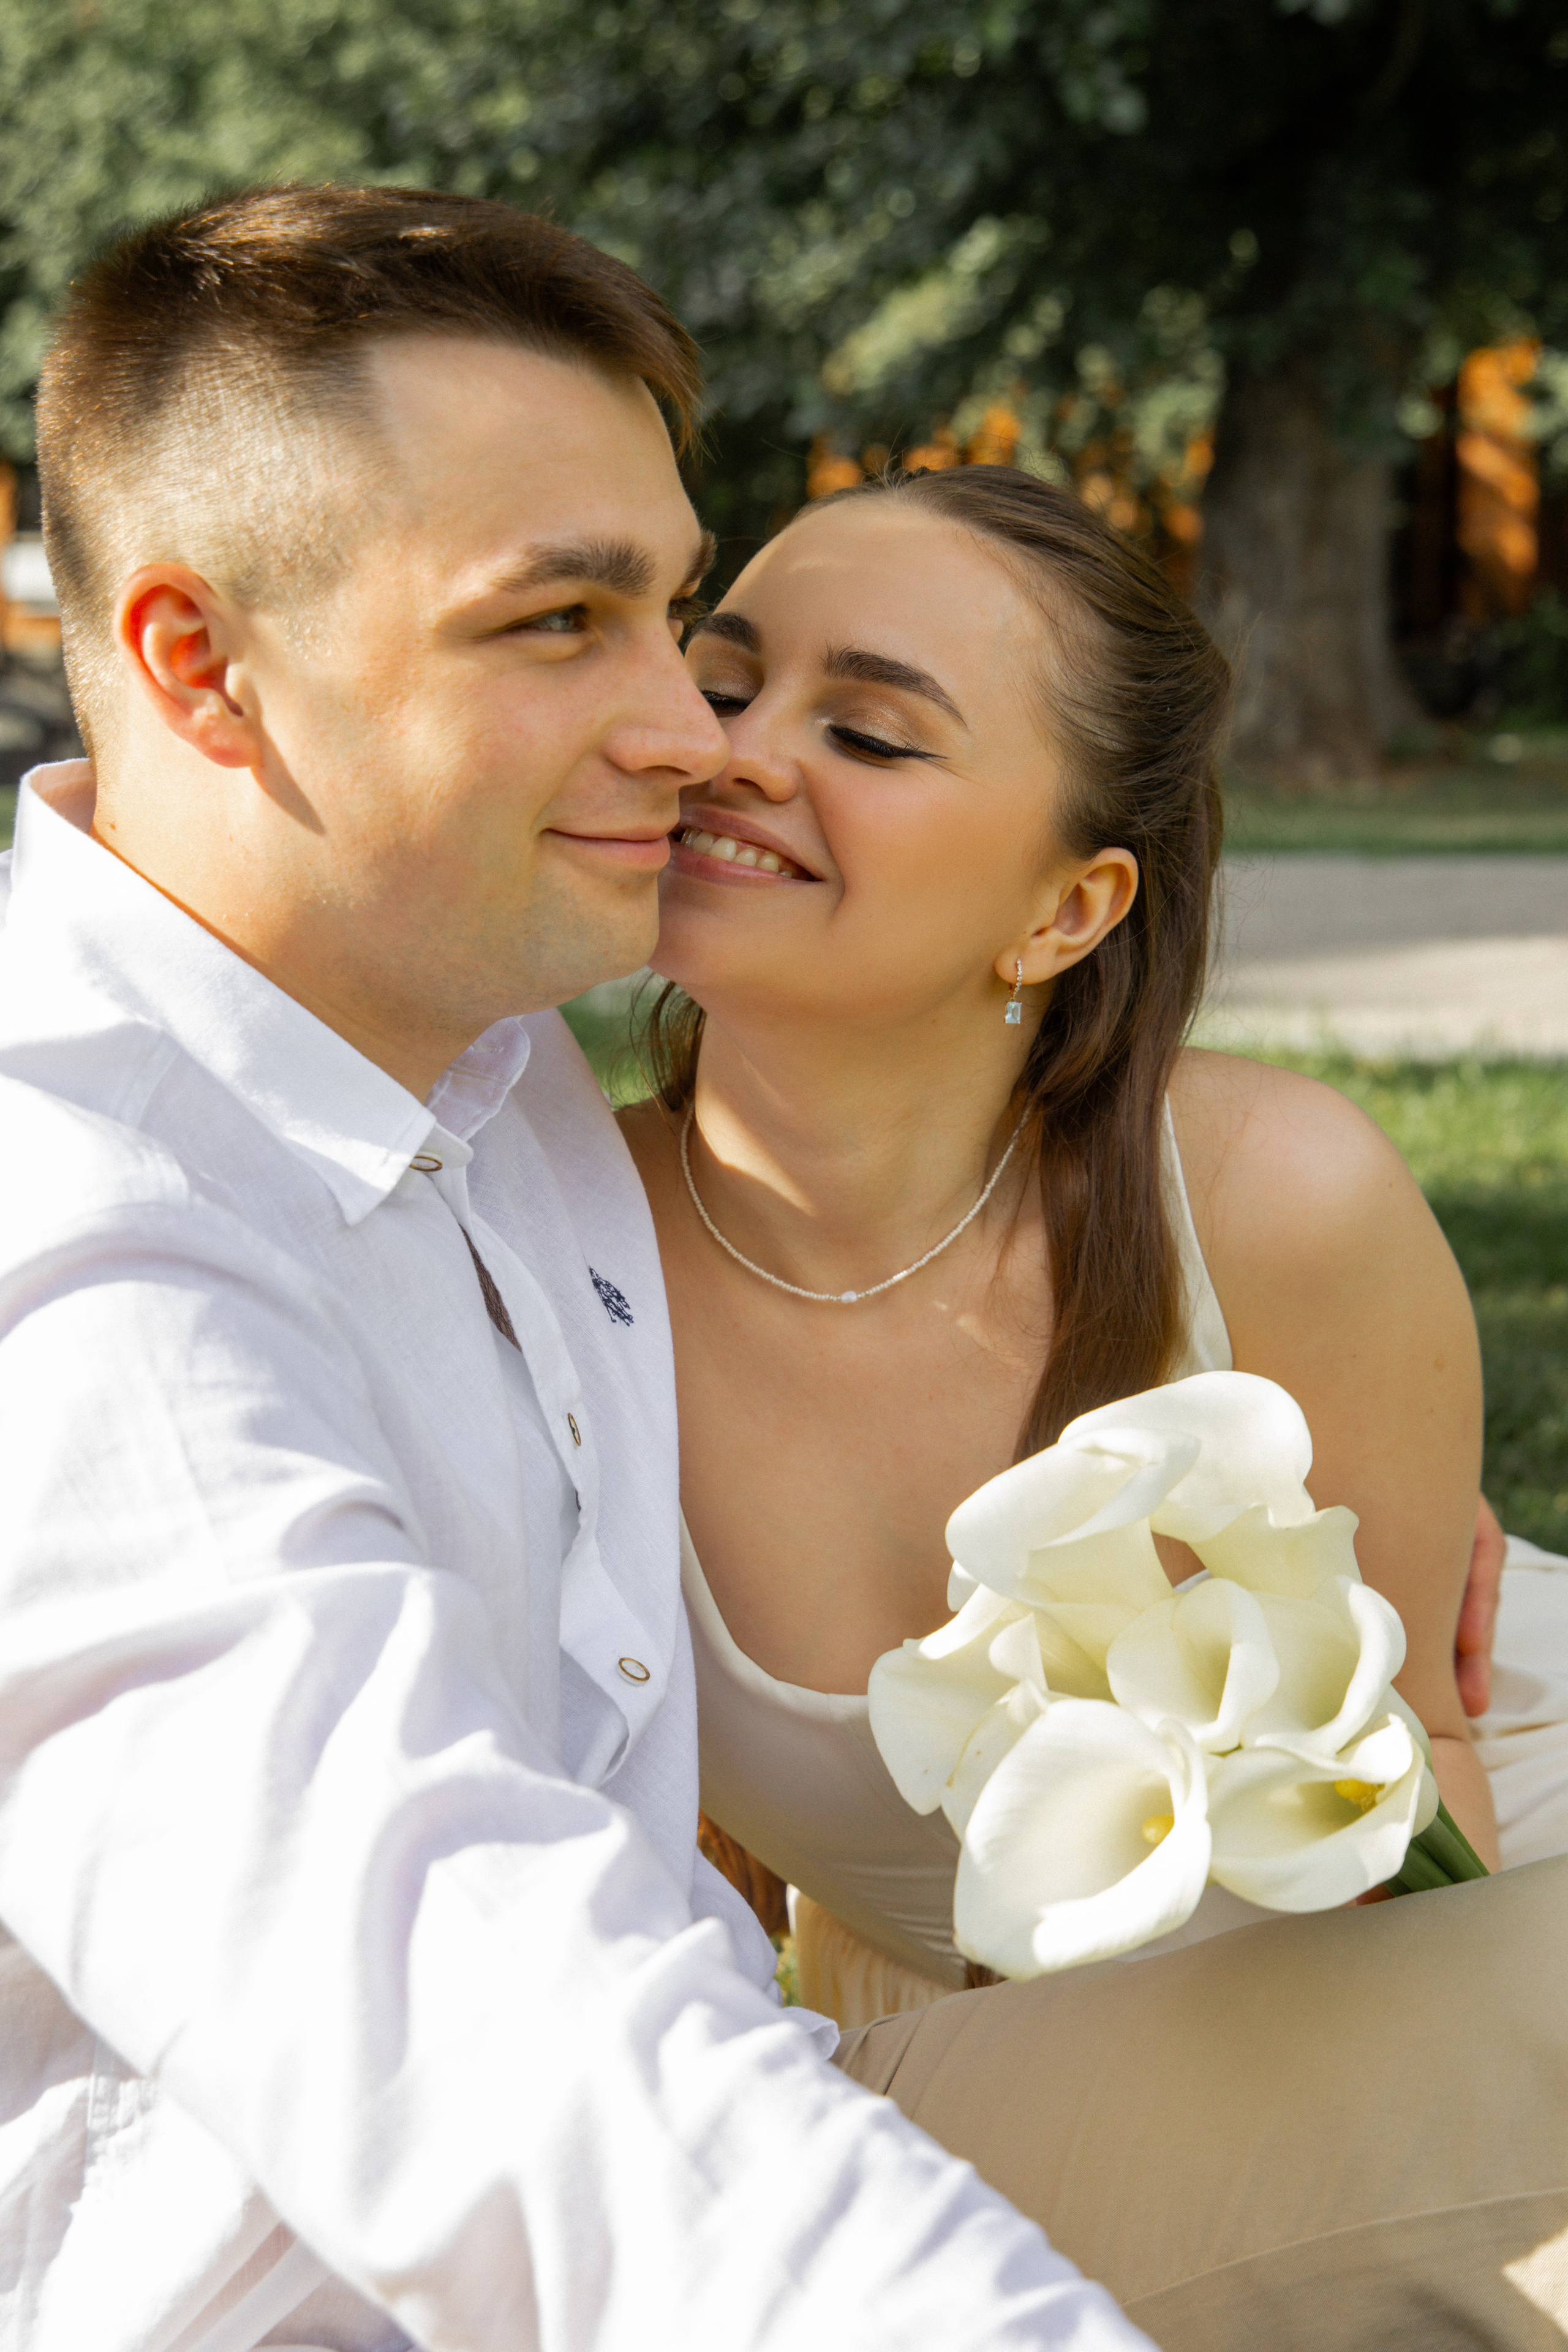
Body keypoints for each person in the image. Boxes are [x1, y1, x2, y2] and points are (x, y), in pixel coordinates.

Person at [0, 188, 1164, 2352]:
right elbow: (467, 2010)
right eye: (559, 626)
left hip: (779, 2118)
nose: (698, 733)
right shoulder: (74, 1251)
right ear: (200, 663)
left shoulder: (480, 1036)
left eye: (676, 615)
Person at [619, 460, 1568, 2016]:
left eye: (864, 732)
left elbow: (1422, 1778)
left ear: (1066, 910)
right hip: (981, 2071)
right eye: (716, 681)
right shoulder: (533, 1245)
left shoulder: (1276, 1196)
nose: (732, 753)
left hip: (1449, 1960)